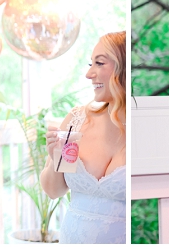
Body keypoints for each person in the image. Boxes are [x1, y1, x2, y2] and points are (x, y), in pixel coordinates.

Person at [41, 31, 127, 244]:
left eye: (99, 63)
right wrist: (55, 158)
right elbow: (54, 191)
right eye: (91, 64)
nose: (89, 74)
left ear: (124, 67)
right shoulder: (77, 120)